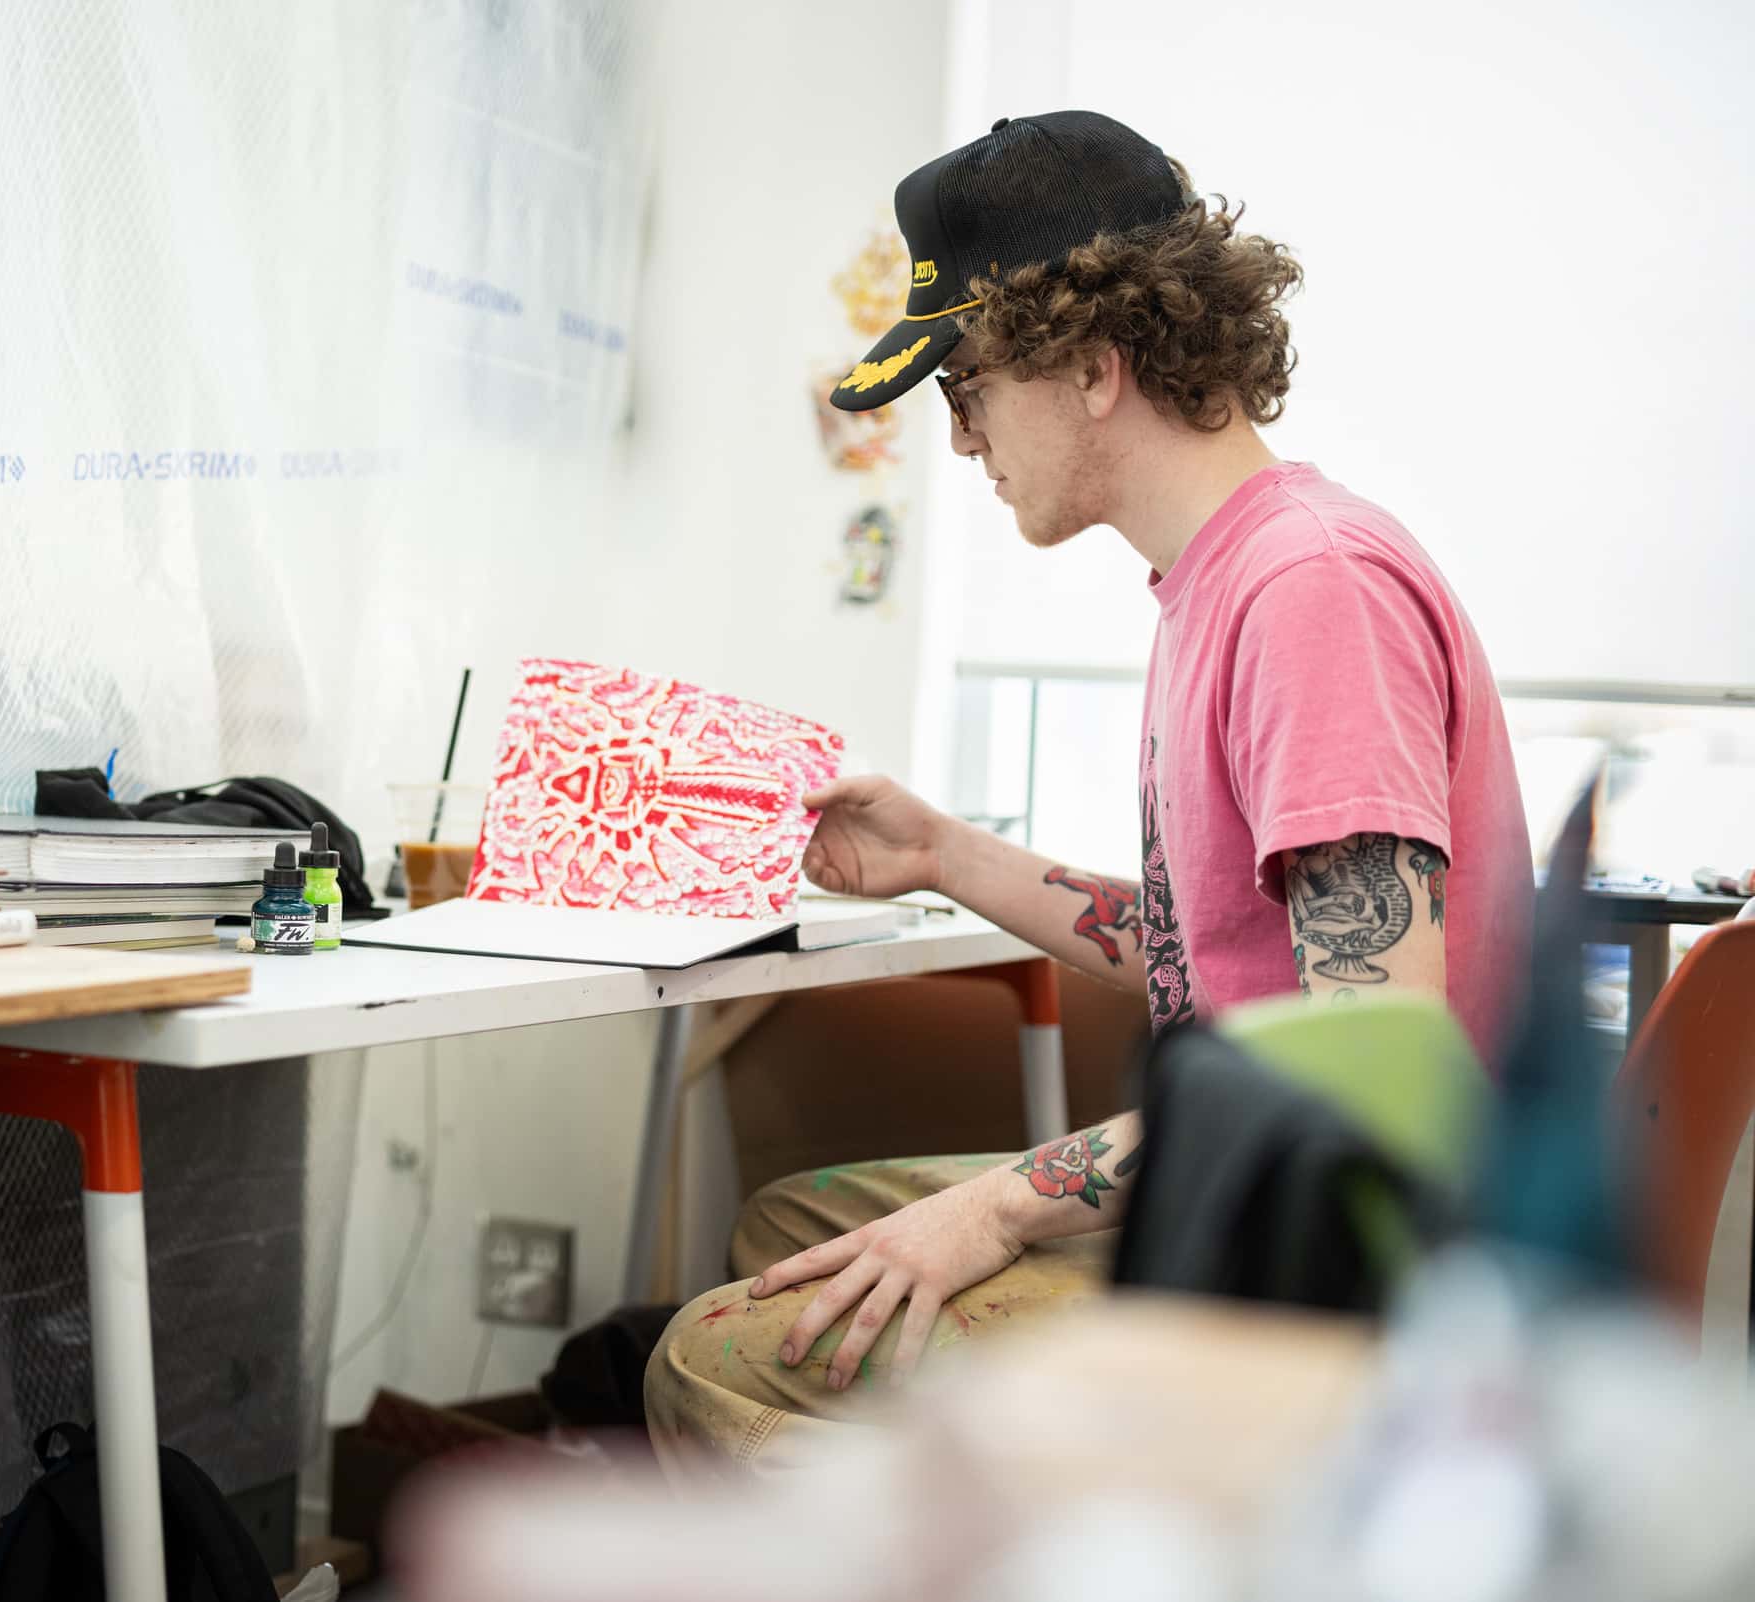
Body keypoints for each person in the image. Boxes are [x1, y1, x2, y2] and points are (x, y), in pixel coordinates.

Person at [646, 110, 1535, 1475]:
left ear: (1091, 364)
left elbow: (1367, 1075)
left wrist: (1003, 1208)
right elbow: (1212, 955)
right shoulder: (1225, 582)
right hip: (1256, 1205)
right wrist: (942, 850)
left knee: (716, 1350)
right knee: (791, 1233)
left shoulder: (1310, 594)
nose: (960, 441)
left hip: (1337, 1289)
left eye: (968, 387)